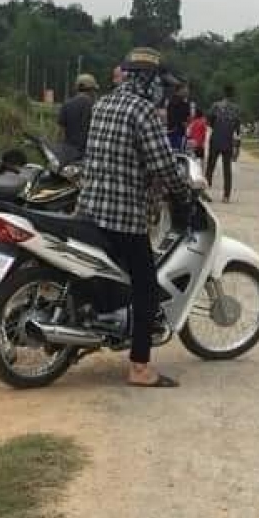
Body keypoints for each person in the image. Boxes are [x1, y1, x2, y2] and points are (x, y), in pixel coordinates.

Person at [76, 47, 193, 390]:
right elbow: (162, 163)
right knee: (146, 287)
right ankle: (140, 367)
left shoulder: (104, 104)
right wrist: (183, 191)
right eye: (160, 84)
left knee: (109, 276)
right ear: (149, 80)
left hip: (90, 207)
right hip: (124, 215)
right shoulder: (142, 111)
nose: (163, 92)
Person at [206, 84, 241, 202]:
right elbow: (237, 127)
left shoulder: (215, 106)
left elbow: (209, 121)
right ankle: (226, 195)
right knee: (227, 169)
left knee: (210, 166)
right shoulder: (236, 109)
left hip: (216, 137)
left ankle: (206, 191)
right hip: (228, 140)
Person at [56, 73, 99, 164]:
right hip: (87, 155)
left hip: (67, 154)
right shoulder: (95, 107)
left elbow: (60, 132)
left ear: (77, 88)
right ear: (91, 90)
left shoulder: (66, 105)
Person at [165, 80, 190, 152]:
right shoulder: (176, 102)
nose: (188, 91)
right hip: (176, 133)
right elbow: (179, 118)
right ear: (180, 89)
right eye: (186, 88)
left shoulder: (174, 101)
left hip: (177, 132)